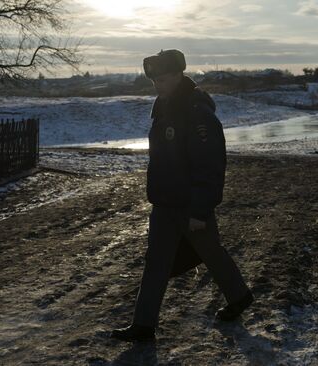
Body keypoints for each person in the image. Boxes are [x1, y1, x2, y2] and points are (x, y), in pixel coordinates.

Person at [110, 49, 253, 342]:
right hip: (164, 202)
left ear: (178, 75)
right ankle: (143, 325)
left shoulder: (197, 113)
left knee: (211, 253)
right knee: (157, 262)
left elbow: (210, 165)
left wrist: (200, 210)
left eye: (162, 79)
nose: (157, 85)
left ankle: (239, 297)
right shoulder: (165, 108)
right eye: (154, 81)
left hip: (190, 204)